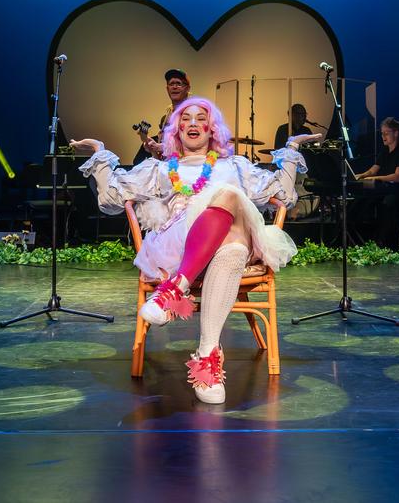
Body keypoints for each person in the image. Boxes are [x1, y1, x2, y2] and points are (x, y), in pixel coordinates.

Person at [71, 96, 320, 404]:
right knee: (232, 231)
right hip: (180, 244)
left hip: (227, 245)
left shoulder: (235, 166)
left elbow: (283, 194)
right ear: (177, 130)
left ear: (211, 129)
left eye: (201, 118)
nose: (192, 123)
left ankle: (182, 304)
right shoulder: (161, 169)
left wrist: (292, 147)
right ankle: (206, 354)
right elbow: (112, 197)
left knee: (230, 208)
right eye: (185, 119)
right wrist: (99, 151)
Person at [354, 117, 399, 248]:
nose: (383, 136)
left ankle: (384, 240)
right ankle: (365, 238)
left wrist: (374, 179)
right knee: (363, 200)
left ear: (396, 133)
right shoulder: (385, 151)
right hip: (385, 189)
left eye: (386, 133)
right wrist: (359, 176)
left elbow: (398, 177)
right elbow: (373, 170)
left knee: (387, 203)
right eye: (382, 133)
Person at [134, 68, 191, 163]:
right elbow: (162, 152)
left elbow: (194, 144)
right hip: (168, 166)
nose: (174, 87)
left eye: (179, 83)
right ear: (167, 89)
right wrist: (152, 147)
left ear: (187, 88)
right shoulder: (168, 115)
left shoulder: (193, 112)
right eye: (171, 84)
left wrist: (163, 147)